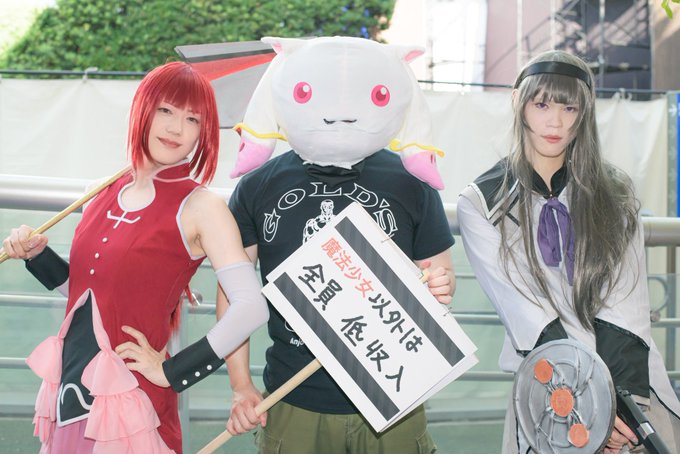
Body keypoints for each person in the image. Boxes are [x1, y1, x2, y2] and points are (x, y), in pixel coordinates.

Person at [1, 61, 268, 453]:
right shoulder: (99, 191)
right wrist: (37, 256)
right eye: (166, 111)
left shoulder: (202, 207)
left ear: (204, 132)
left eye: (192, 119)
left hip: (134, 402)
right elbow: (94, 292)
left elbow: (250, 306)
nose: (176, 128)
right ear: (143, 109)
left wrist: (174, 371)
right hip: (72, 387)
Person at [220, 36, 455, 453]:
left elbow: (440, 275)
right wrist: (241, 384)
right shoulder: (258, 186)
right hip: (293, 395)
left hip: (394, 393)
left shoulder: (412, 184)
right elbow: (232, 291)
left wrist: (440, 285)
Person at [457, 50, 680, 454]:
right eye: (542, 105)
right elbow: (527, 313)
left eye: (569, 107)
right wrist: (590, 405)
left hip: (629, 390)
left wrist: (620, 407)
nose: (555, 122)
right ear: (517, 101)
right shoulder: (482, 204)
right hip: (552, 392)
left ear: (585, 112)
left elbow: (626, 304)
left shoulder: (615, 193)